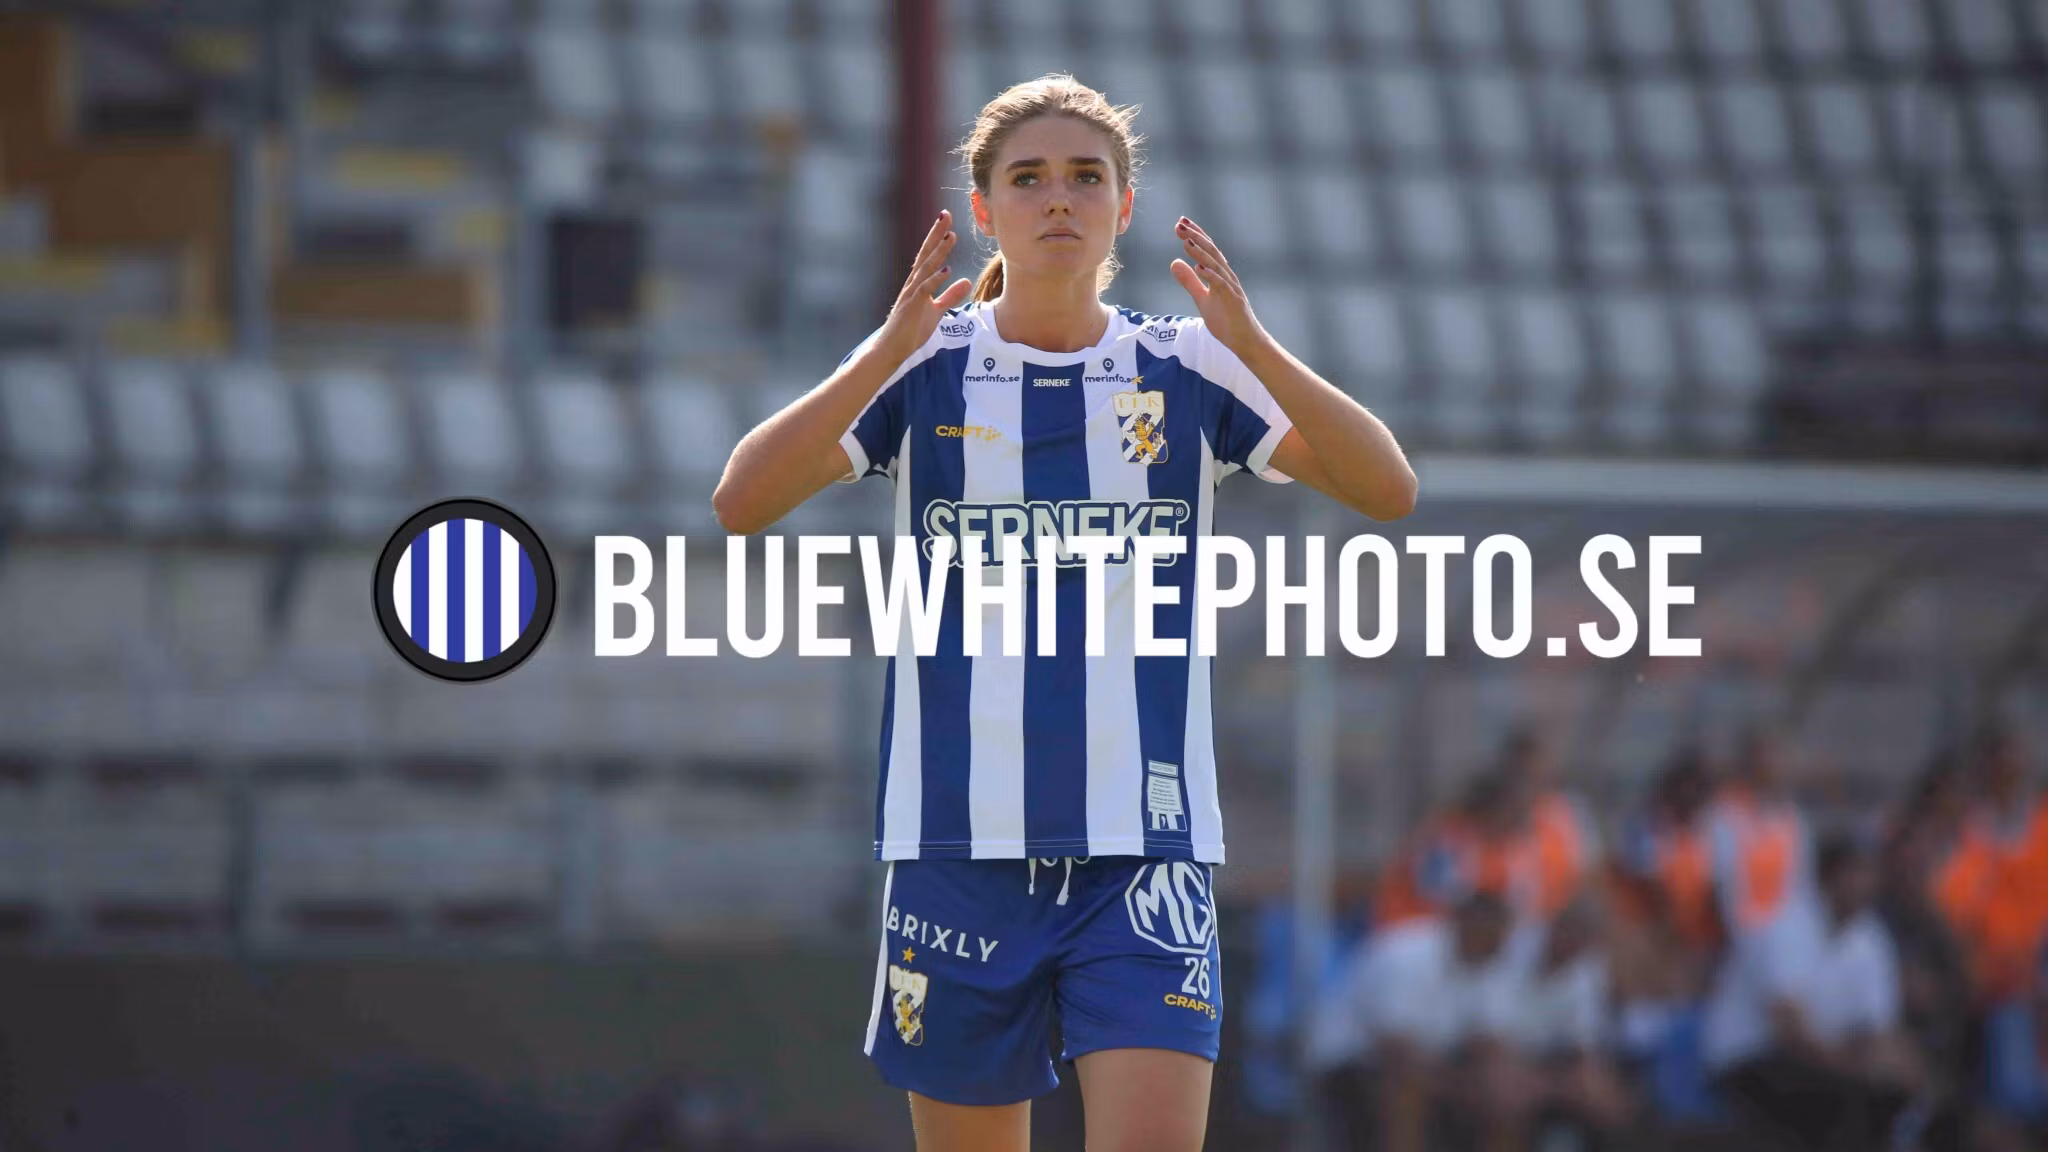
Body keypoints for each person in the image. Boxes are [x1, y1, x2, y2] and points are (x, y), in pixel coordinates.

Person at [711, 74, 1416, 1152]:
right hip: (955, 846)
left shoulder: (1184, 368)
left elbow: (1386, 489)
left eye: (1085, 177)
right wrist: (880, 350)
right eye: (1026, 178)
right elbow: (741, 500)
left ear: (1121, 206)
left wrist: (1255, 344)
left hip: (1145, 852)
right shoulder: (925, 370)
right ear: (983, 207)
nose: (1058, 199)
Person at [1702, 830, 1929, 1151]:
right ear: (1831, 877)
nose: (1868, 884)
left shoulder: (1871, 938)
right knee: (1846, 1099)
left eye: (1871, 873)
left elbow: (1879, 1029)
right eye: (1858, 873)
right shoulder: (1786, 924)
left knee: (1895, 1096)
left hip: (1823, 1059)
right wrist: (1856, 1069)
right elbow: (1790, 1030)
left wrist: (1902, 1070)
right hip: (1749, 1057)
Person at [1309, 892, 1532, 1152]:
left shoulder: (1489, 962)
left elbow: (1491, 1040)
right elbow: (1394, 1047)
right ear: (1467, 926)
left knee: (1502, 1092)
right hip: (1352, 1059)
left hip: (1432, 1061)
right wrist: (1455, 1084)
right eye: (1495, 939)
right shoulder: (1405, 953)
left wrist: (1499, 1078)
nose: (1500, 948)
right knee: (1406, 1087)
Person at [1707, 728, 1815, 942]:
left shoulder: (1793, 819)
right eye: (1764, 759)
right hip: (1741, 939)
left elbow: (1801, 887)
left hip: (1783, 940)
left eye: (1778, 759)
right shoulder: (1724, 814)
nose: (1773, 767)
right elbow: (1726, 887)